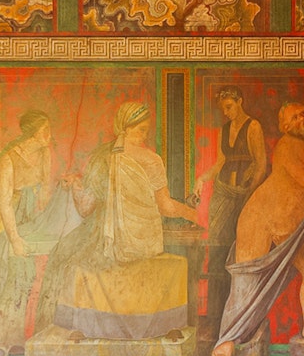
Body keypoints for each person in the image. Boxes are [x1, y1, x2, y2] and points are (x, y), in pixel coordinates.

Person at [38, 101, 201, 339]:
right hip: (143, 244)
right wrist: (192, 213)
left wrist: (75, 184)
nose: (144, 136)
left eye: (146, 130)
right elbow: (165, 206)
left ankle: (80, 326)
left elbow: (86, 208)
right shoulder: (151, 160)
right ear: (125, 128)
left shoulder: (101, 157)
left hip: (109, 241)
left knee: (66, 255)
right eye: (141, 130)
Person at [212, 101, 304, 356]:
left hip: (290, 223)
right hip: (261, 217)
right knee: (247, 278)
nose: (303, 118)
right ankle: (227, 339)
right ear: (285, 126)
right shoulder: (286, 146)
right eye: (295, 117)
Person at [0, 110, 54, 356]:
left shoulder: (45, 153)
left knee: (24, 272)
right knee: (2, 271)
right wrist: (15, 239)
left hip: (21, 214)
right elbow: (4, 203)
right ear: (32, 133)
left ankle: (14, 338)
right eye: (45, 131)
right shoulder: (8, 160)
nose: (49, 135)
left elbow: (44, 193)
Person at [194, 86, 266, 339]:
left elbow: (261, 164)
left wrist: (249, 195)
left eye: (229, 107)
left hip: (245, 196)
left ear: (240, 101)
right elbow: (220, 162)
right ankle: (215, 320)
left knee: (241, 255)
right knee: (217, 252)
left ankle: (238, 322)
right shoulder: (224, 130)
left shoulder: (253, 126)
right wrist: (202, 178)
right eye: (223, 108)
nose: (225, 112)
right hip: (223, 194)